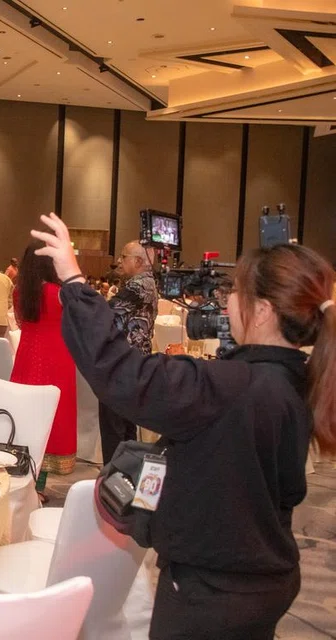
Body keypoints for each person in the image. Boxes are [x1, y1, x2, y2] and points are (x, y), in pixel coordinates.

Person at [31, 211, 336, 640]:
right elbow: (287, 489)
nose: (226, 303)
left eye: (235, 292)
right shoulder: (299, 380)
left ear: (264, 311)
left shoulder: (229, 386)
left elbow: (122, 374)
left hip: (211, 592)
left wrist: (74, 281)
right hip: (265, 577)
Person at [10, 240, 77, 475]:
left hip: (27, 355)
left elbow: (20, 323)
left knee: (27, 409)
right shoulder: (58, 293)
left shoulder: (19, 292)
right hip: (57, 356)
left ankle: (26, 463)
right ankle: (49, 467)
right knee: (56, 410)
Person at [97, 239, 159, 463]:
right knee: (126, 425)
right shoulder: (148, 283)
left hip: (121, 364)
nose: (119, 261)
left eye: (124, 257)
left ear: (139, 261)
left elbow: (106, 312)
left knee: (114, 427)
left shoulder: (138, 286)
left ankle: (113, 474)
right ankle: (126, 472)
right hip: (135, 364)